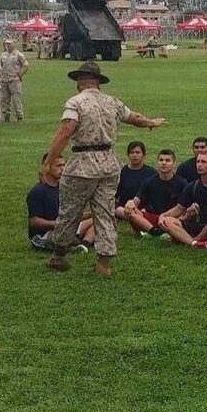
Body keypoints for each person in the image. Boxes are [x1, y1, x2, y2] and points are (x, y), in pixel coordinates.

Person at [43, 61, 165, 274]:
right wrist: (151, 122)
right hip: (109, 164)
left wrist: (49, 160)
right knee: (105, 212)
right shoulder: (112, 102)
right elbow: (134, 118)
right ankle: (104, 262)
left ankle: (59, 255)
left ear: (79, 82)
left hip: (82, 164)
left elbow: (65, 131)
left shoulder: (75, 103)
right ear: (98, 82)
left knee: (70, 210)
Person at [158, 151, 207, 248]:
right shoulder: (193, 186)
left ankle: (190, 240)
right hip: (199, 225)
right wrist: (163, 216)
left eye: (204, 162)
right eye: (197, 162)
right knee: (169, 221)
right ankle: (195, 243)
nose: (199, 165)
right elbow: (179, 209)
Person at [28, 152, 94, 251]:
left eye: (64, 165)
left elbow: (71, 215)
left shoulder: (63, 188)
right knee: (63, 236)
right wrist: (56, 224)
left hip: (63, 228)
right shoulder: (37, 191)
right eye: (58, 166)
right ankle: (73, 242)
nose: (63, 168)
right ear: (47, 168)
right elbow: (34, 221)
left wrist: (92, 213)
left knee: (96, 221)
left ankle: (84, 244)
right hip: (44, 234)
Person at [122, 149, 187, 236]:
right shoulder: (149, 182)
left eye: (167, 160)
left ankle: (154, 231)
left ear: (174, 164)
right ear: (157, 163)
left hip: (172, 218)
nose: (163, 163)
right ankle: (154, 231)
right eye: (161, 160)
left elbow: (185, 207)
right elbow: (136, 201)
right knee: (131, 211)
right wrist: (130, 203)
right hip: (153, 217)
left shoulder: (182, 183)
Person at [113, 141, 157, 220]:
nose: (134, 155)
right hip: (124, 208)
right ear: (128, 155)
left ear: (143, 155)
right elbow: (116, 194)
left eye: (138, 152)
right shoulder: (122, 172)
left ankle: (137, 217)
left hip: (144, 207)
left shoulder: (152, 173)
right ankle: (136, 217)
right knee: (117, 209)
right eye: (132, 152)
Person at [0, 38, 29, 122]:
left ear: (13, 44)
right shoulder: (3, 55)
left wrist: (19, 75)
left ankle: (19, 115)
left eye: (9, 44)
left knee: (16, 99)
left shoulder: (18, 55)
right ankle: (6, 115)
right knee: (5, 99)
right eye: (7, 44)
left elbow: (25, 65)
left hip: (14, 80)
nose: (8, 45)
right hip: (4, 80)